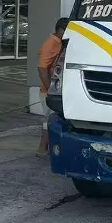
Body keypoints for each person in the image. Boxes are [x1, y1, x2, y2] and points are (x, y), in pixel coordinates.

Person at [36, 17, 69, 158]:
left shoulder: (59, 43)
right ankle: (42, 149)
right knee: (49, 120)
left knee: (55, 119)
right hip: (49, 91)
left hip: (56, 90)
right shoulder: (51, 44)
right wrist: (50, 88)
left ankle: (48, 149)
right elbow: (42, 67)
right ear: (62, 30)